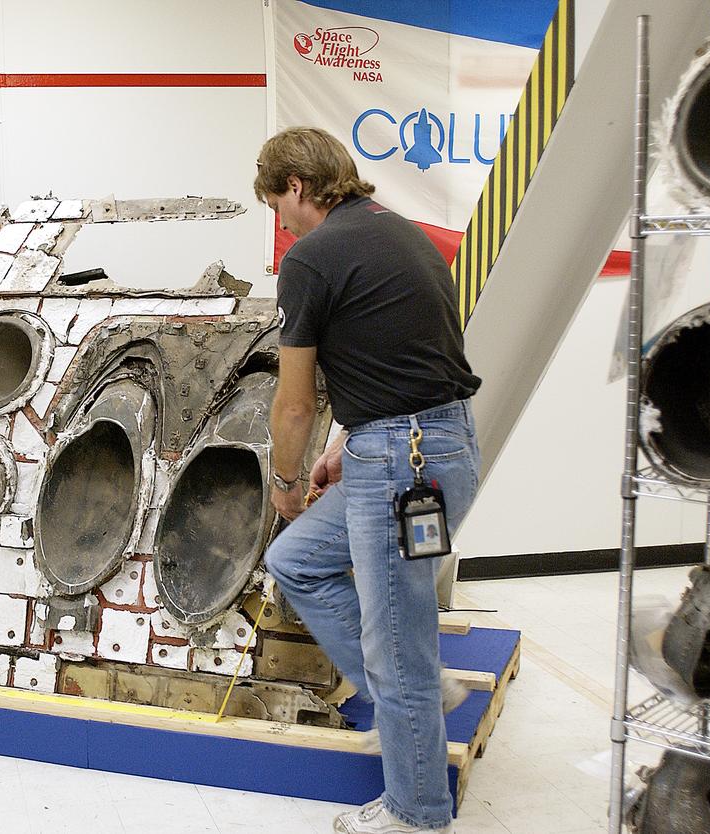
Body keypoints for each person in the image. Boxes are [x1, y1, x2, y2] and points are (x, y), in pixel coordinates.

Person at [255, 127, 482, 834]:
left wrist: (286, 479)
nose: (282, 224)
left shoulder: (310, 258)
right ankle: (423, 692)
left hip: (397, 464)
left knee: (396, 644)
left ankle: (417, 813)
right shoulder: (405, 235)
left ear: (296, 187)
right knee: (298, 560)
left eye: (277, 207)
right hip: (438, 448)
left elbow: (294, 403)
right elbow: (402, 360)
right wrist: (345, 444)